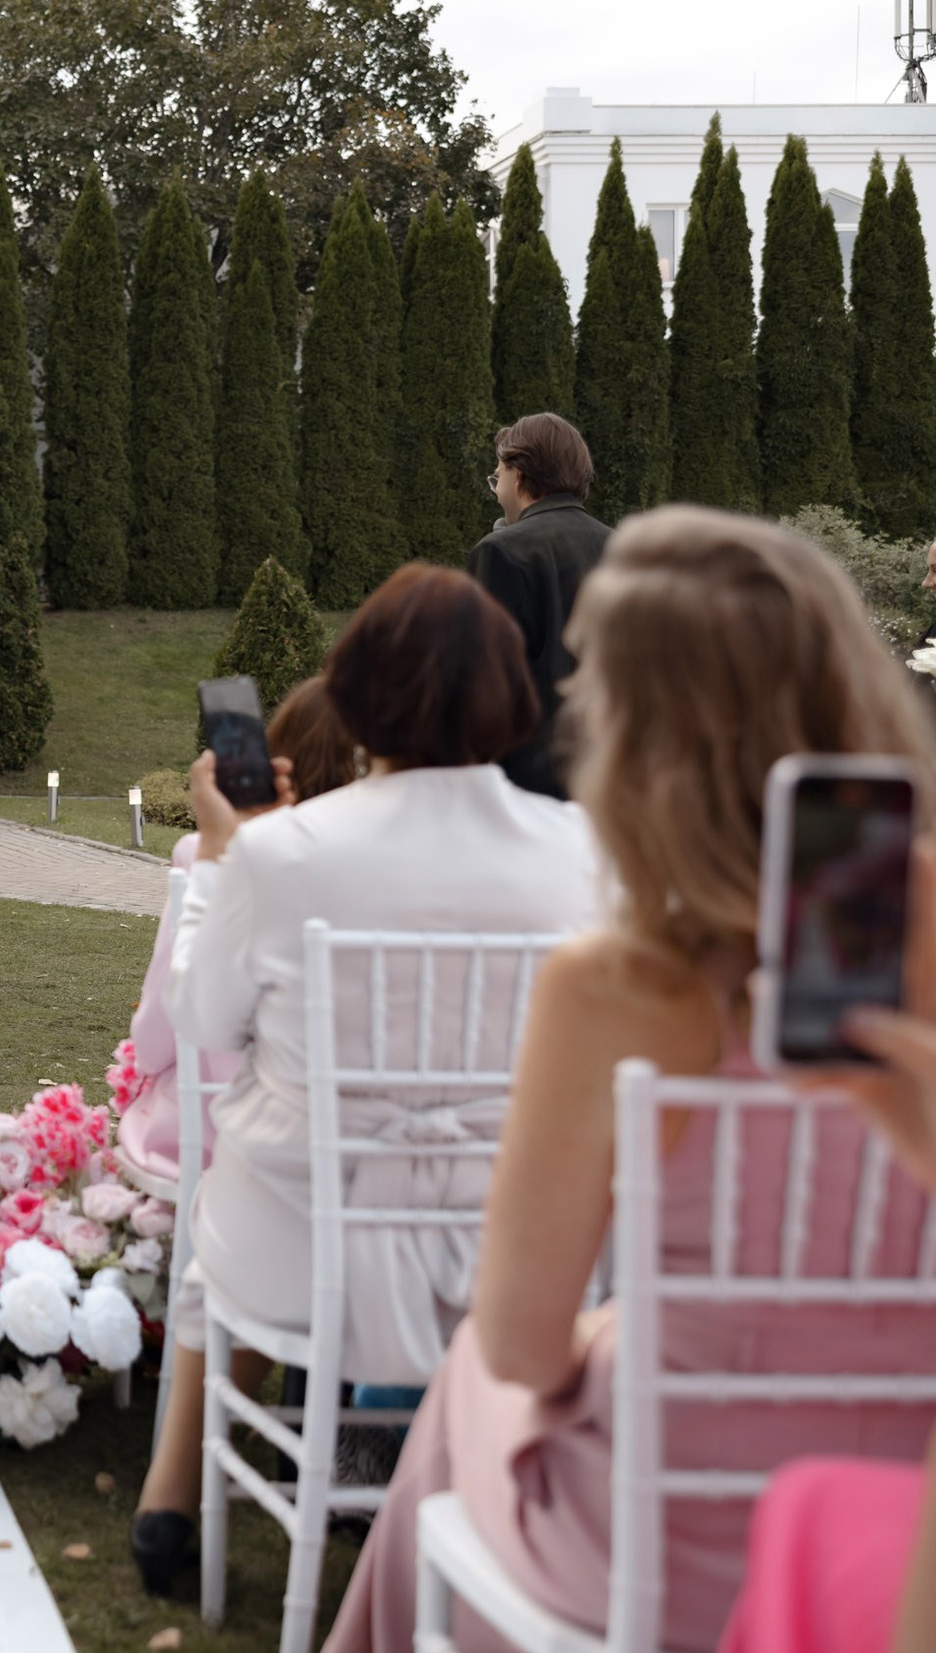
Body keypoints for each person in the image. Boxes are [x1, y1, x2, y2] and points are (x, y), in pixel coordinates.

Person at [325, 508, 936, 1653]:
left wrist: (616, 1337)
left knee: (470, 1373)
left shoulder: (613, 987)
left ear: (634, 740)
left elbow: (521, 1343)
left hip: (671, 1533)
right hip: (907, 1530)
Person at [130, 564, 603, 1598]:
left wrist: (217, 859)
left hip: (298, 1247)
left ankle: (169, 1505)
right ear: (511, 692)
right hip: (509, 1259)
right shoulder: (580, 853)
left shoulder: (283, 851)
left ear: (356, 690)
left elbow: (205, 1025)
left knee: (223, 1226)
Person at [116, 676, 359, 1195]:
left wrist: (217, 853)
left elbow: (156, 1040)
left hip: (208, 1144)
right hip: (356, 1151)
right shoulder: (387, 873)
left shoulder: (211, 859)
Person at [467, 413, 611, 799]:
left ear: (520, 474)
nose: (497, 491)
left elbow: (484, 683)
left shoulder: (501, 551)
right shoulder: (621, 546)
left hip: (530, 781)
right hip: (609, 770)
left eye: (498, 477)